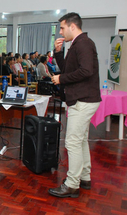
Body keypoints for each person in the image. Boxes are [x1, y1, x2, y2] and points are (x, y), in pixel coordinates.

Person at [48, 12, 101, 198]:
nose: (60, 31)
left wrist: (61, 79)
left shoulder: (83, 43)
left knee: (72, 142)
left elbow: (86, 71)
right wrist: (58, 53)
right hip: (83, 98)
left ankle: (72, 184)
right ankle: (84, 177)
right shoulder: (76, 44)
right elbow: (67, 69)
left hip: (83, 99)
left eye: (62, 27)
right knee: (80, 140)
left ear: (72, 26)